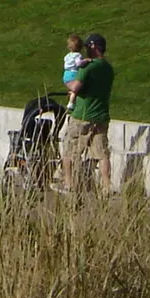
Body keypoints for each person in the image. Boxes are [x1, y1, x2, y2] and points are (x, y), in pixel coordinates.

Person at [61, 33, 113, 193]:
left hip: (82, 116)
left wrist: (67, 83)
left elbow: (75, 87)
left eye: (88, 47)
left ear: (94, 47)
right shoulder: (107, 68)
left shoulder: (88, 68)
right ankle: (106, 187)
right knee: (102, 154)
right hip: (101, 117)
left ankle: (69, 184)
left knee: (70, 151)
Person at [61, 33, 86, 111]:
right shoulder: (77, 55)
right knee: (77, 89)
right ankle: (71, 104)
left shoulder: (68, 55)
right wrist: (85, 61)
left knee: (73, 89)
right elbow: (78, 63)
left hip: (66, 74)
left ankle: (72, 99)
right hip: (73, 74)